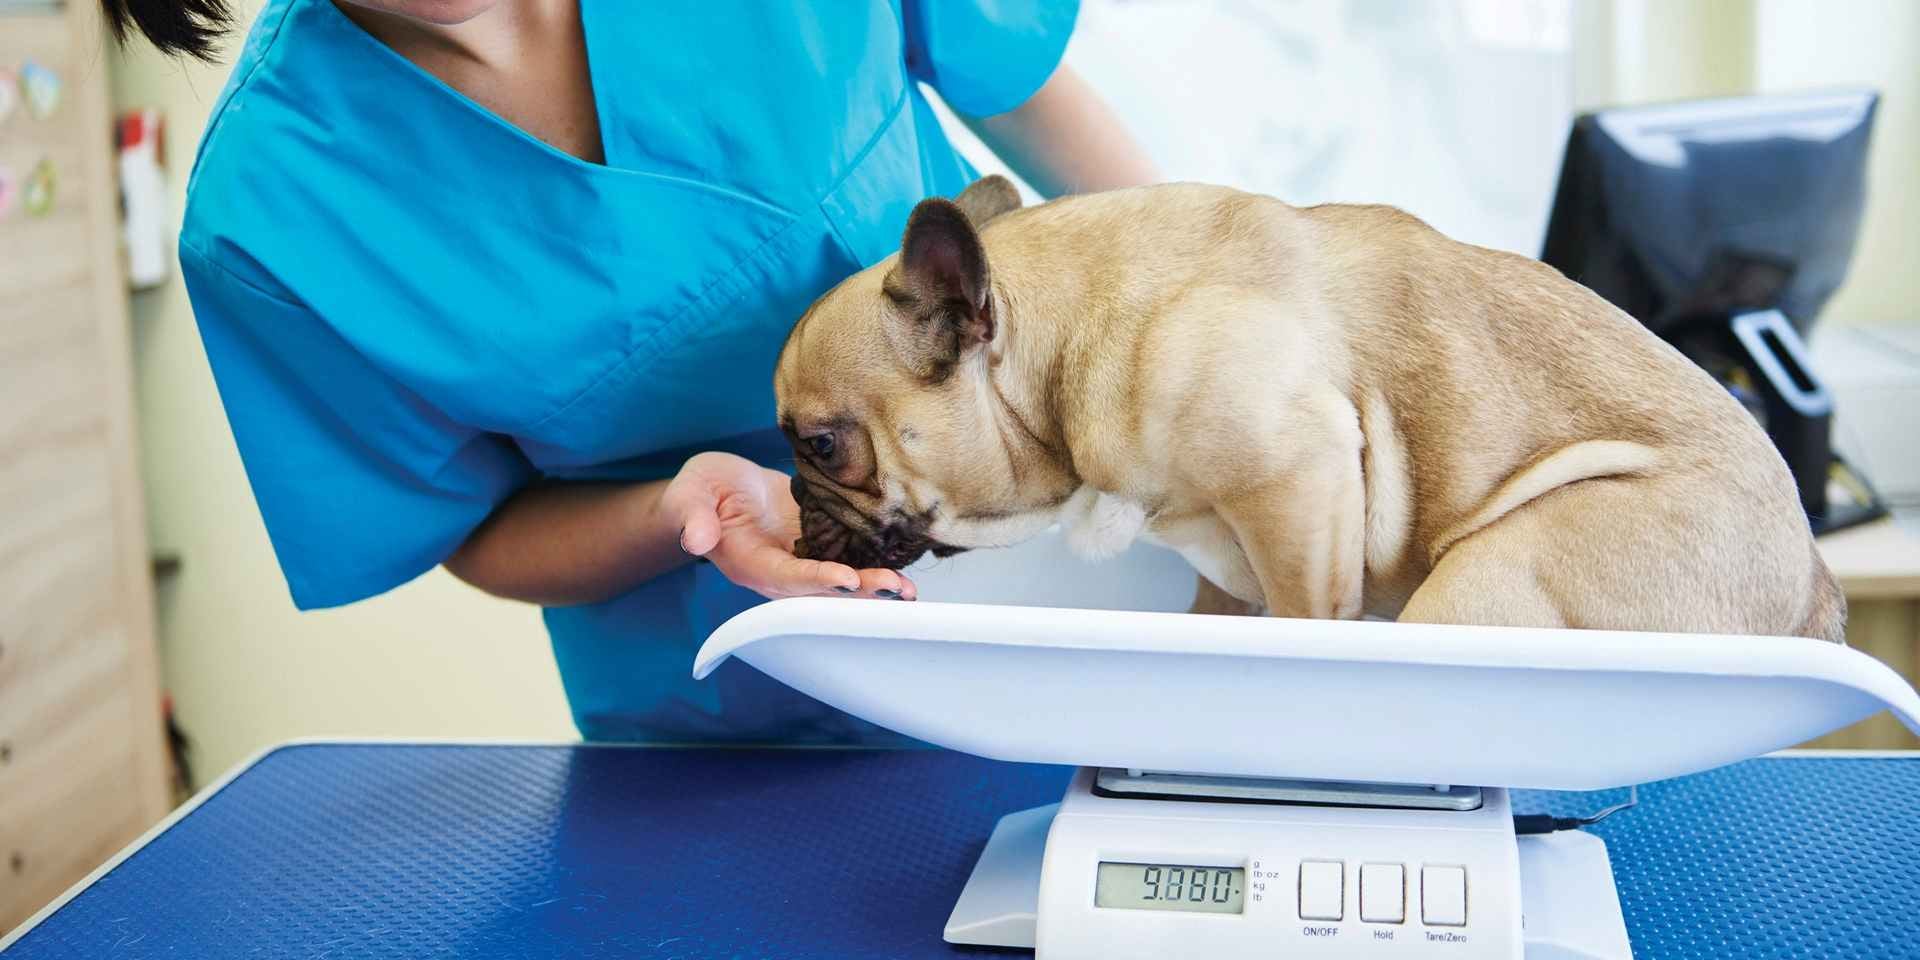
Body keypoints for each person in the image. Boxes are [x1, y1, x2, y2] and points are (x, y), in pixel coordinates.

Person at [103, 0, 1160, 743]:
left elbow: (1027, 95)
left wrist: (1227, 326)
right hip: (742, 719)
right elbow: (469, 528)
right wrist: (679, 512)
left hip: (1078, 578)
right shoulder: (272, 213)